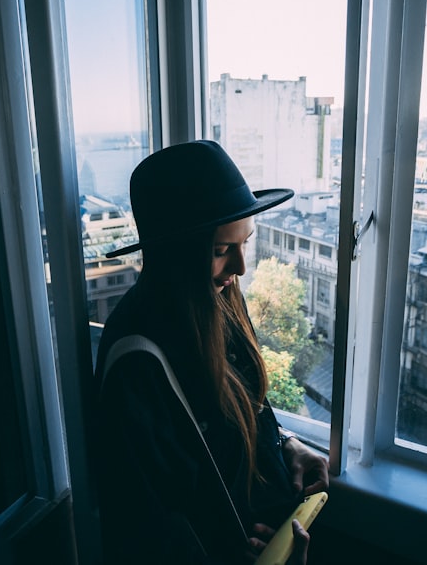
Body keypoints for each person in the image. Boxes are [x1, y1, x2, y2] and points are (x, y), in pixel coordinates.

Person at [93, 140, 329, 564]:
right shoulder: (137, 362)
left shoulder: (220, 299)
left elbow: (242, 412)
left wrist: (283, 443)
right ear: (174, 255)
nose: (240, 268)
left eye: (245, 243)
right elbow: (147, 528)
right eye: (221, 251)